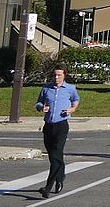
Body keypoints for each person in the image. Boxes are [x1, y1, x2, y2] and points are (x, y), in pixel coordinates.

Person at [35, 64, 79, 198]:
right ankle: (60, 177)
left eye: (59, 75)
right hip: (48, 125)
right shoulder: (46, 88)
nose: (56, 77)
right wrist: (41, 107)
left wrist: (72, 109)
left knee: (56, 155)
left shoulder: (70, 89)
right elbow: (38, 103)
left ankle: (48, 187)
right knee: (54, 156)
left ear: (64, 75)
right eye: (54, 74)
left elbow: (76, 99)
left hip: (61, 125)